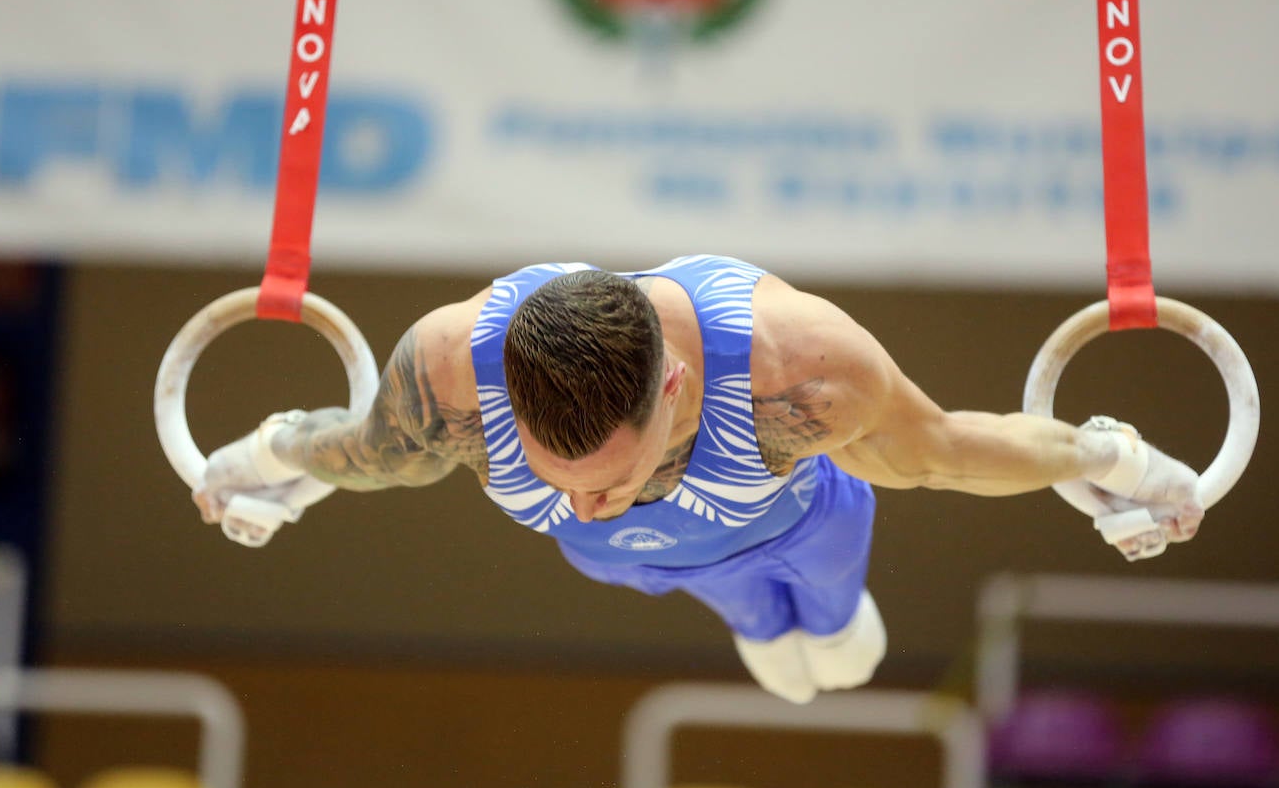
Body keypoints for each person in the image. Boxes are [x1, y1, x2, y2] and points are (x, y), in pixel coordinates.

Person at [193, 255, 1204, 704]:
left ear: (676, 387)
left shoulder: (797, 374)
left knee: (844, 660)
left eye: (610, 474)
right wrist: (269, 459)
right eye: (558, 477)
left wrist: (1107, 460)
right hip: (636, 566)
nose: (584, 502)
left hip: (800, 530)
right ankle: (753, 619)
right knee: (781, 668)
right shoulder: (455, 372)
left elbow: (944, 451)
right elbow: (370, 456)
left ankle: (808, 617)